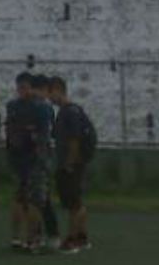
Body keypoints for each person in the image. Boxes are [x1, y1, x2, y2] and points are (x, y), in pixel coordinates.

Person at [5, 73, 54, 253]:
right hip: (36, 159)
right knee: (35, 201)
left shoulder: (11, 106)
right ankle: (33, 239)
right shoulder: (42, 107)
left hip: (16, 158)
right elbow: (47, 132)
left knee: (19, 198)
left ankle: (16, 237)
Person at [49, 76, 96, 253]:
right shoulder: (66, 112)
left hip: (71, 164)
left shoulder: (70, 112)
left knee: (74, 204)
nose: (49, 98)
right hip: (72, 163)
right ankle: (82, 237)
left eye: (50, 93)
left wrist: (69, 163)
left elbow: (74, 139)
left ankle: (71, 240)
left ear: (58, 90)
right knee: (76, 202)